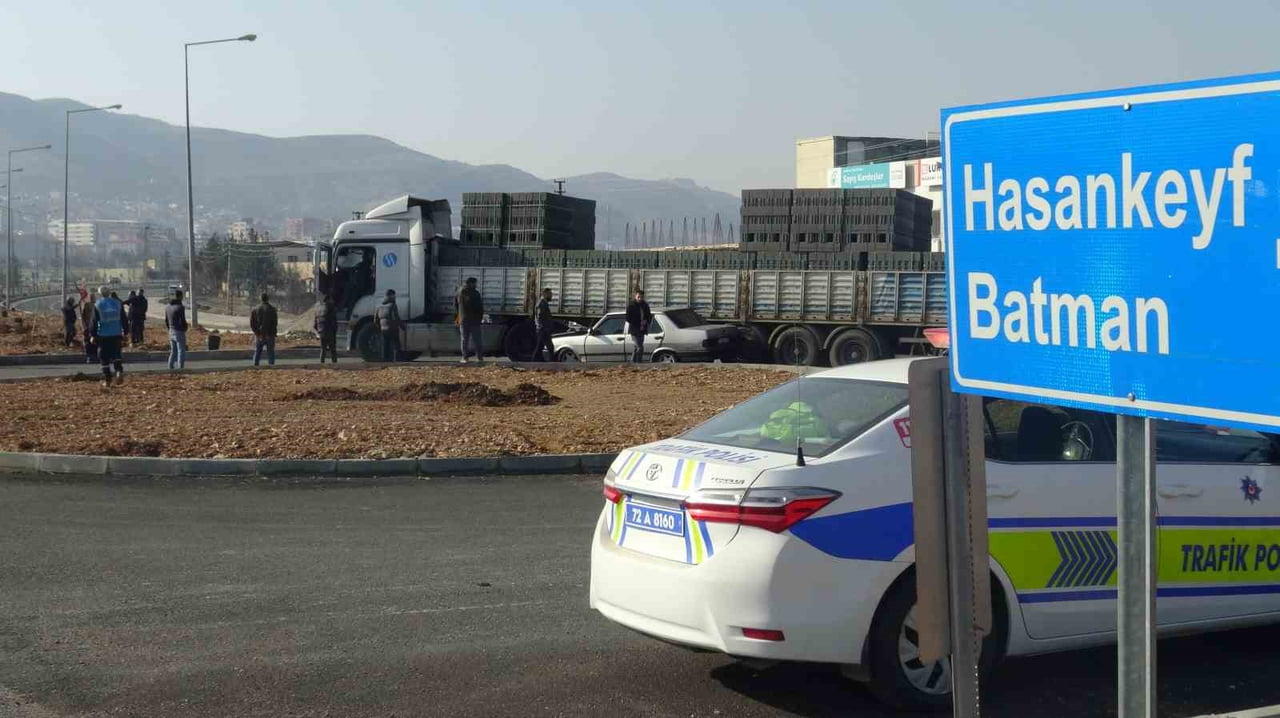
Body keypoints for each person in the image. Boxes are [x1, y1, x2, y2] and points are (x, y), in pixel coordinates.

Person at [91, 286, 126, 388]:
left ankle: (108, 380)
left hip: (103, 335)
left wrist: (93, 335)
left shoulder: (98, 305)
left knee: (103, 357)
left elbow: (94, 322)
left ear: (100, 294)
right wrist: (126, 331)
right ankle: (119, 371)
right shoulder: (118, 304)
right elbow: (123, 318)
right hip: (117, 334)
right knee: (116, 355)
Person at [455, 276, 484, 363]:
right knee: (477, 340)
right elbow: (479, 307)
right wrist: (480, 318)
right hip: (474, 320)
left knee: (464, 340)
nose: (476, 285)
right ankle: (479, 358)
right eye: (475, 283)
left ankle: (464, 358)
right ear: (471, 283)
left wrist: (459, 315)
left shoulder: (459, 292)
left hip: (463, 319)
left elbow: (456, 305)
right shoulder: (475, 293)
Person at [374, 289, 403, 363]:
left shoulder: (378, 305)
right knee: (396, 343)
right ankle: (397, 359)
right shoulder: (392, 305)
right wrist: (401, 326)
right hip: (392, 328)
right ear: (390, 295)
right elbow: (396, 317)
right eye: (394, 295)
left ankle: (385, 360)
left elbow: (375, 319)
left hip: (383, 328)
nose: (395, 297)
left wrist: (379, 327)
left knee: (385, 344)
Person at [249, 292, 278, 366]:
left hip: (259, 335)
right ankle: (271, 367)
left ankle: (255, 366)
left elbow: (252, 324)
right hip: (270, 335)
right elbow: (275, 323)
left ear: (260, 299)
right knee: (270, 352)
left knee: (258, 352)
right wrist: (273, 333)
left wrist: (257, 333)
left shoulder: (255, 309)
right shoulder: (272, 309)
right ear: (268, 299)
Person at [625, 289, 653, 363]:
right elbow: (628, 318)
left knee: (637, 347)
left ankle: (632, 362)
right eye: (638, 297)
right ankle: (638, 363)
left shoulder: (645, 305)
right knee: (639, 347)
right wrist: (638, 322)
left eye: (641, 297)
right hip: (634, 330)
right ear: (635, 296)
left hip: (642, 329)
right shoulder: (631, 306)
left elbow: (649, 316)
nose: (640, 299)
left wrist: (646, 321)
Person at [165, 289, 188, 370]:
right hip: (179, 331)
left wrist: (169, 328)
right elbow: (182, 320)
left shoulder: (168, 306)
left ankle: (170, 367)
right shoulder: (180, 307)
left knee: (173, 351)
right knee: (181, 350)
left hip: (171, 330)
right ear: (181, 296)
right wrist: (185, 328)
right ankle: (180, 368)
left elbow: (166, 320)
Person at [531, 287, 555, 361]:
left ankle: (536, 362)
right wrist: (543, 328)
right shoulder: (541, 304)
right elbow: (539, 317)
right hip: (543, 330)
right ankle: (552, 363)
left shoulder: (544, 303)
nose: (551, 296)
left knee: (541, 347)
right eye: (550, 294)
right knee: (549, 347)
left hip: (543, 329)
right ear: (544, 294)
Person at [314, 294, 338, 364]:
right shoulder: (331, 307)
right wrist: (335, 330)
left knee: (323, 349)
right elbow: (334, 321)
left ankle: (321, 364)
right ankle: (334, 364)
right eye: (331, 299)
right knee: (333, 350)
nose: (333, 301)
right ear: (328, 300)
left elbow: (315, 324)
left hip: (321, 332)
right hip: (330, 331)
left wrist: (319, 331)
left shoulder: (318, 309)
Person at [80, 294, 98, 364]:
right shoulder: (96, 305)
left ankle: (90, 356)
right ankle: (92, 356)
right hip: (92, 326)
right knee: (92, 341)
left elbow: (83, 316)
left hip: (89, 326)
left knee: (89, 342)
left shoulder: (88, 305)